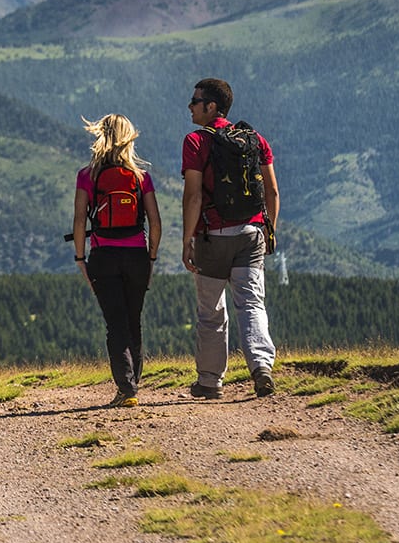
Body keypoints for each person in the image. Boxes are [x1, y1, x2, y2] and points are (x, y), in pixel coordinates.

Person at [179, 78, 279, 399]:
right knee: (251, 303)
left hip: (213, 236)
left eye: (195, 101)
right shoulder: (254, 139)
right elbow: (273, 190)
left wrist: (187, 239)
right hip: (252, 234)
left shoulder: (195, 141)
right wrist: (270, 229)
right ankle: (262, 366)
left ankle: (209, 381)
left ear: (211, 106)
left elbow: (193, 196)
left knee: (211, 310)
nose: (190, 106)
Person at [73, 113, 163, 406]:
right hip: (137, 254)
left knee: (115, 323)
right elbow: (156, 222)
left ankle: (126, 390)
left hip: (103, 255)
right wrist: (151, 258)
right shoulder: (141, 176)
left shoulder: (88, 176)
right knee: (133, 321)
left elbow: (78, 221)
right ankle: (132, 385)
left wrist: (80, 258)